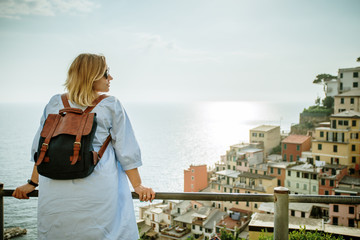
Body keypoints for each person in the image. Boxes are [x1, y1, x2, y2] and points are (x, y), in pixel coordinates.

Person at [12, 53, 155, 239]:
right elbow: (126, 149)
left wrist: (32, 183)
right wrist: (138, 185)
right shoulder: (110, 104)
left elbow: (41, 147)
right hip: (97, 190)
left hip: (55, 194)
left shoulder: (55, 102)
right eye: (106, 73)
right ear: (91, 76)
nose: (110, 78)